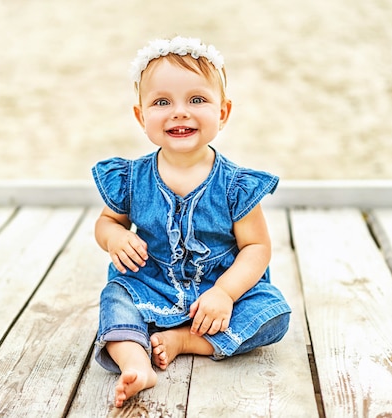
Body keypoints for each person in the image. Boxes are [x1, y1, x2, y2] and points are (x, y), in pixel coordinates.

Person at [91, 36, 291, 408]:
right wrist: (114, 237)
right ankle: (136, 363)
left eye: (197, 100)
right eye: (162, 102)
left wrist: (225, 293)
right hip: (151, 284)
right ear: (141, 116)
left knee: (273, 314)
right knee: (115, 296)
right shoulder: (132, 178)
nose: (179, 112)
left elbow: (257, 248)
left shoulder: (235, 186)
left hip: (218, 291)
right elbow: (106, 222)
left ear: (223, 112)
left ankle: (186, 340)